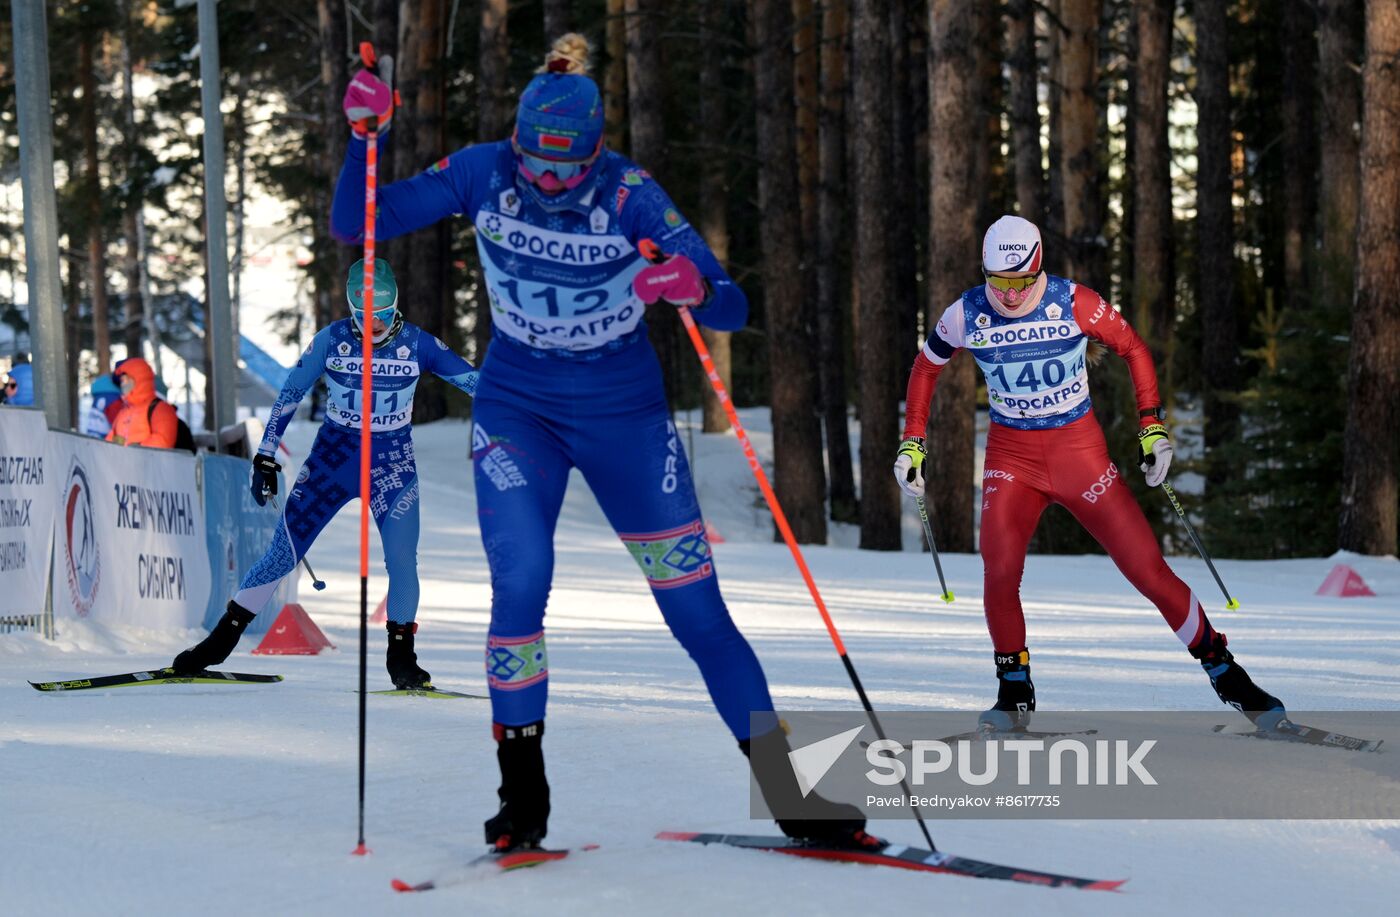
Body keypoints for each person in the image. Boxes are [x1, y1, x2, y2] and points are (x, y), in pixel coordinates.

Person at [332, 34, 876, 853]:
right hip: (520, 409)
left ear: (596, 152)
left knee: (696, 609)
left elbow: (728, 303)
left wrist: (691, 284)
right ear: (517, 142)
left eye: (569, 169)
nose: (551, 184)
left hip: (626, 418)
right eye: (538, 167)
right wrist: (362, 139)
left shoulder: (631, 194)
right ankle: (523, 797)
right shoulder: (482, 171)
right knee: (522, 584)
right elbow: (356, 223)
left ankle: (788, 786)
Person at [894, 215, 1285, 732]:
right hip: (1012, 460)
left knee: (1148, 571)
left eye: (1019, 281)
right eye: (997, 281)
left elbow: (1134, 349)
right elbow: (926, 367)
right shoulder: (967, 313)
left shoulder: (1073, 301)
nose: (1008, 295)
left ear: (1038, 268)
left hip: (1080, 457)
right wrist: (913, 441)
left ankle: (1226, 673)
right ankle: (1014, 691)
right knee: (1000, 569)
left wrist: (1152, 426)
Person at [171, 259, 481, 689]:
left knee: (402, 561)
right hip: (333, 461)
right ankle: (218, 644)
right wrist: (265, 455)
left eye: (383, 315)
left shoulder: (419, 343)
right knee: (282, 555)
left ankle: (402, 659)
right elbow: (291, 392)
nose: (373, 325)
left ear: (396, 307)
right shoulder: (332, 340)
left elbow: (477, 385)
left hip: (390, 466)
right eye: (364, 316)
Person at [106, 358, 179, 448]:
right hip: (122, 461)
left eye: (125, 380)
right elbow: (113, 438)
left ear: (137, 379)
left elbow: (163, 441)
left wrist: (135, 449)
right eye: (122, 381)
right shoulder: (124, 411)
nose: (122, 384)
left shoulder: (161, 409)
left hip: (149, 461)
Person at [83, 374, 123, 438]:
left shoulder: (98, 397)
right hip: (105, 440)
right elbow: (117, 424)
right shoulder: (113, 400)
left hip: (92, 437)